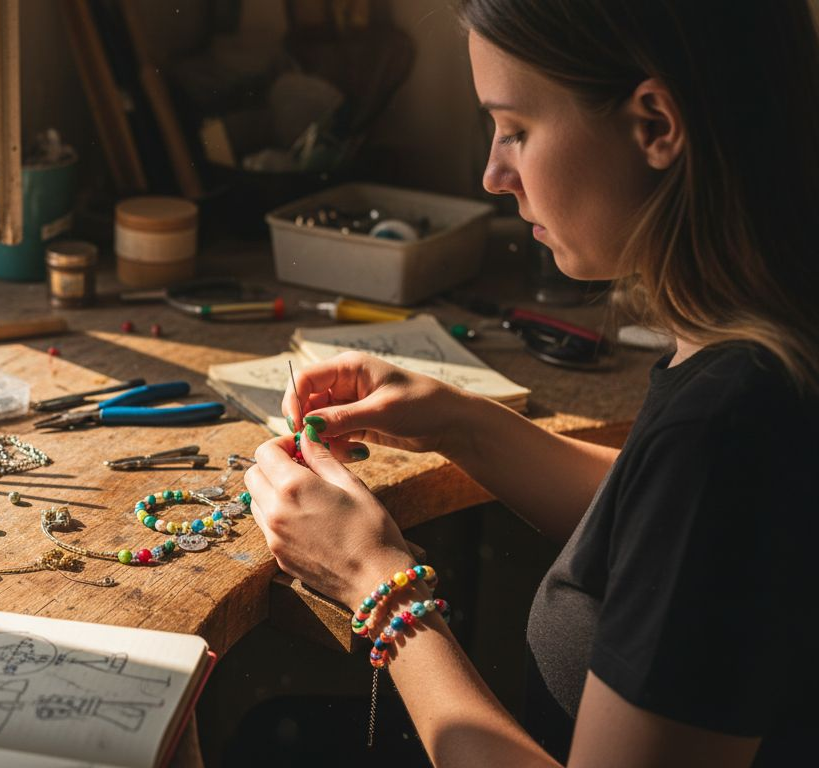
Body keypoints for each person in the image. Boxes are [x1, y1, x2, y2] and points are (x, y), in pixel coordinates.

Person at [243, 1, 819, 765]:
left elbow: (694, 503)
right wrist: (462, 425)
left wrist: (379, 588)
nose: (493, 173)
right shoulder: (760, 338)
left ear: (656, 125)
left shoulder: (732, 425)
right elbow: (665, 536)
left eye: (516, 129)